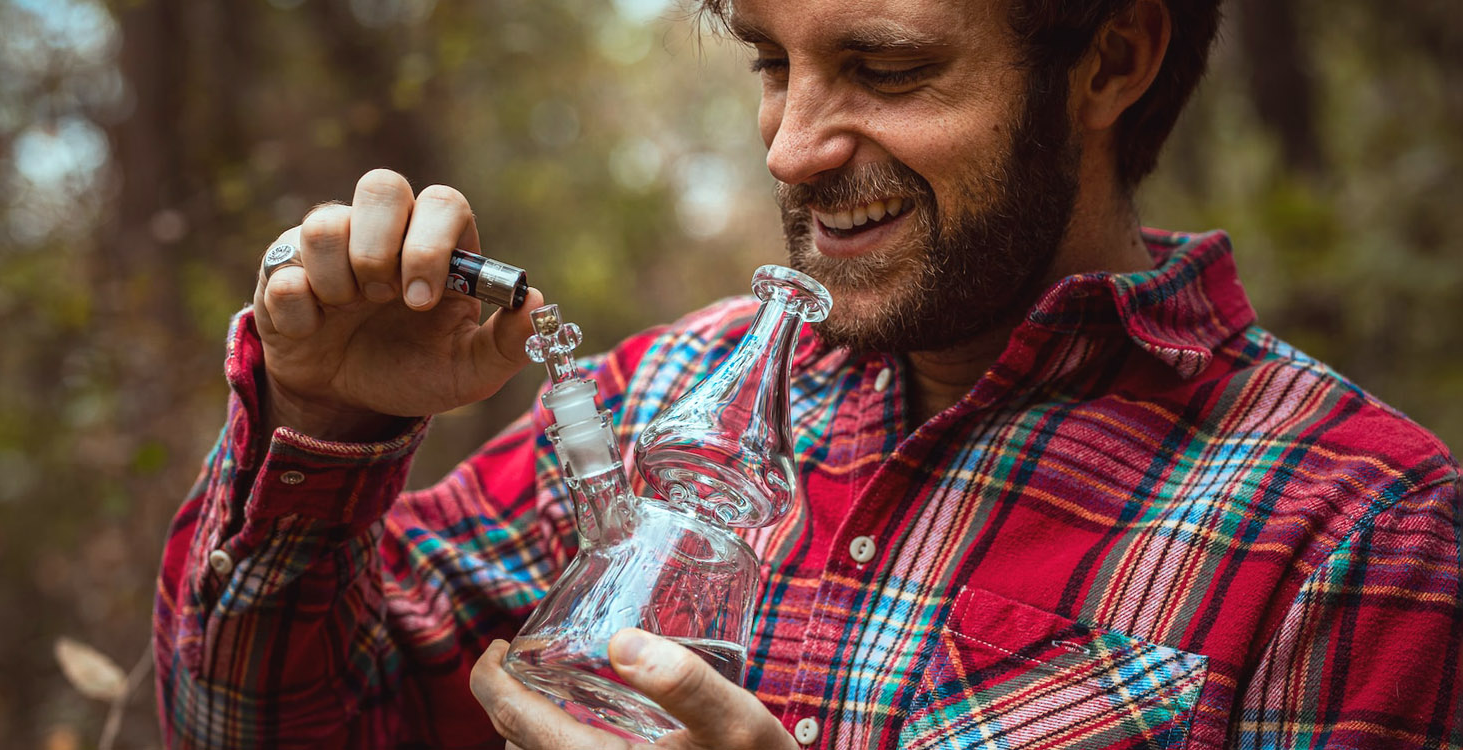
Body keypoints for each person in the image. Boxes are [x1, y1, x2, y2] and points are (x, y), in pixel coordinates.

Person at [154, 0, 1462, 746]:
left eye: (885, 68)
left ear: (1112, 60)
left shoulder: (1359, 529)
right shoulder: (669, 395)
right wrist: (324, 423)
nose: (789, 147)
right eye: (773, 63)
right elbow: (266, 726)